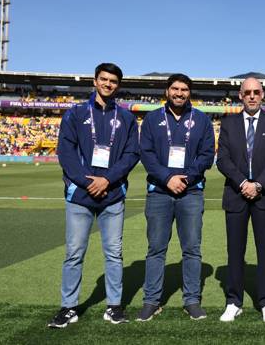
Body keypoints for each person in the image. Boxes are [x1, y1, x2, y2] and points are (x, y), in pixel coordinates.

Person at [48, 63, 140, 328]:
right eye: (104, 79)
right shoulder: (76, 113)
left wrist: (107, 180)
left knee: (113, 253)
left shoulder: (126, 118)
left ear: (118, 85)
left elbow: (131, 154)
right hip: (81, 195)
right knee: (74, 253)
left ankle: (114, 306)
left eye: (113, 81)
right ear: (95, 81)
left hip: (112, 195)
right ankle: (68, 307)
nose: (108, 84)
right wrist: (86, 182)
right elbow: (65, 151)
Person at [136, 74, 215, 321]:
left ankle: (191, 300)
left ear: (189, 92)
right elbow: (146, 154)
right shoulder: (152, 119)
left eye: (184, 89)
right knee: (156, 249)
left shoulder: (201, 119)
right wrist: (167, 178)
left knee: (191, 249)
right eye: (175, 89)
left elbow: (206, 154)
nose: (179, 93)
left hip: (191, 192)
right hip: (159, 191)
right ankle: (151, 300)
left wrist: (187, 178)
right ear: (167, 91)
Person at [217, 77, 265, 323]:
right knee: (235, 251)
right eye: (248, 92)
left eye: (256, 92)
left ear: (263, 94)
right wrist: (243, 183)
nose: (252, 96)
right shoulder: (228, 123)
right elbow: (223, 159)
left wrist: (258, 184)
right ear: (240, 95)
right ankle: (234, 301)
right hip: (236, 195)